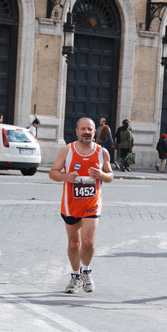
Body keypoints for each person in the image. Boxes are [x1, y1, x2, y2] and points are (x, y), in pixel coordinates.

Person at [49, 117, 114, 294]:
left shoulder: (102, 152)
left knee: (87, 241)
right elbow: (52, 173)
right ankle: (75, 275)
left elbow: (110, 176)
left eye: (90, 129)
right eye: (83, 129)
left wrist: (102, 174)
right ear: (77, 131)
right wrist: (65, 177)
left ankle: (86, 271)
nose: (86, 132)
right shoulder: (67, 151)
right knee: (73, 244)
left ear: (94, 132)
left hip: (92, 203)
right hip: (71, 205)